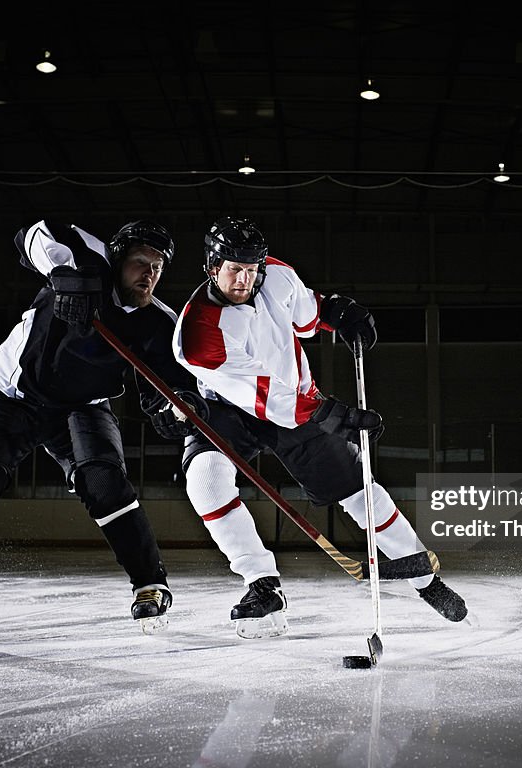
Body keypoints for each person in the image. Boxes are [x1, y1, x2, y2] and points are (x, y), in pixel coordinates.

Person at [0, 218, 207, 639]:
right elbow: (32, 234)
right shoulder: (89, 260)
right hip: (9, 397)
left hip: (80, 409)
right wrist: (66, 277)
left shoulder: (157, 323)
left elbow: (170, 387)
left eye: (157, 267)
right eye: (139, 262)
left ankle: (150, 585)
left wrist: (179, 407)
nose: (148, 274)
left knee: (106, 483)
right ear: (116, 260)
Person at [168, 216, 467, 639]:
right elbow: (264, 395)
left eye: (252, 269)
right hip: (231, 410)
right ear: (212, 267)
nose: (244, 279)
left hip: (297, 396)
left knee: (360, 489)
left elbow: (310, 316)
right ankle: (263, 586)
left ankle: (426, 580)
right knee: (206, 480)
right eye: (234, 269)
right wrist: (333, 414)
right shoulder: (197, 334)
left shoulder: (277, 277)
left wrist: (338, 314)